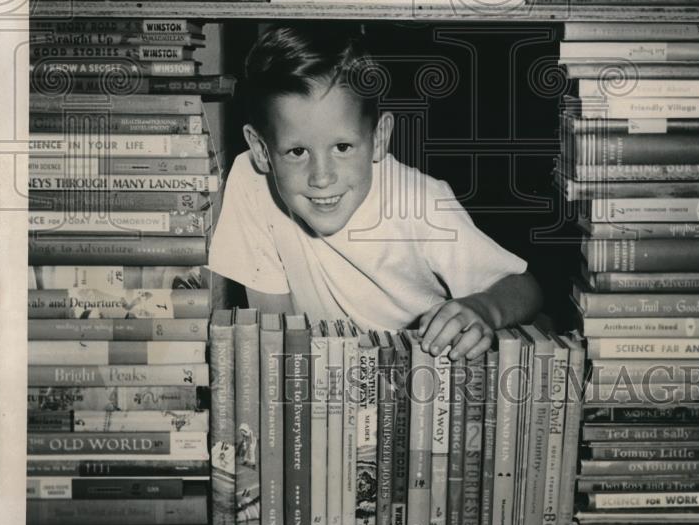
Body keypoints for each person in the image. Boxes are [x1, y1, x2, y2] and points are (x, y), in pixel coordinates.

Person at [209, 24, 542, 360]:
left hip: (426, 382)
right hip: (321, 382)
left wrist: (484, 308)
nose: (322, 178)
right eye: (297, 152)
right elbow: (275, 339)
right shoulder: (250, 180)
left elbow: (525, 288)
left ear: (379, 138)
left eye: (342, 147)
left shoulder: (420, 203)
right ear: (262, 150)